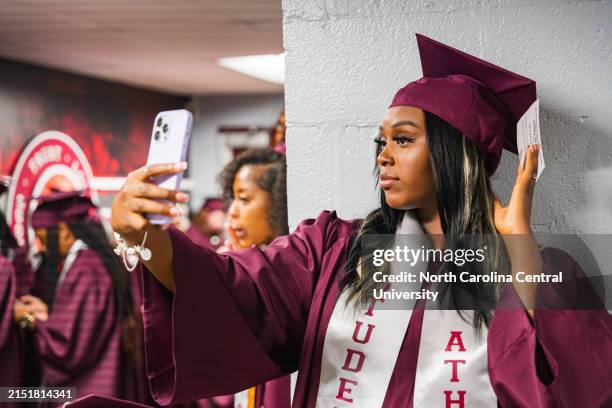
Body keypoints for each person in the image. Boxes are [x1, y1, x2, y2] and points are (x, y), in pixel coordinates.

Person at [111, 34, 612, 407]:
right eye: (381, 141)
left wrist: (518, 244)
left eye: (402, 139)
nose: (383, 157)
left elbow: (565, 387)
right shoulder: (335, 250)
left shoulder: (540, 271)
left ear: (452, 154)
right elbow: (236, 287)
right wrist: (145, 235)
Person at [14, 191, 145, 404]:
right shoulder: (90, 261)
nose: (43, 248)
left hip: (90, 389)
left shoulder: (86, 268)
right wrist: (47, 314)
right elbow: (83, 326)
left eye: (43, 238)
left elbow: (69, 346)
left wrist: (27, 317)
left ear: (64, 231)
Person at [217, 148, 290, 408]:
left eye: (244, 199)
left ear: (278, 204)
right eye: (233, 199)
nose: (232, 212)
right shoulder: (238, 262)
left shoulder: (289, 276)